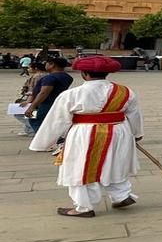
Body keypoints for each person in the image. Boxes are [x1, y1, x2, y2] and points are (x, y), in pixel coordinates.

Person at [28, 56, 143, 217]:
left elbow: (57, 121)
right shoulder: (125, 91)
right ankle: (121, 195)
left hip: (85, 133)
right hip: (119, 131)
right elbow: (135, 115)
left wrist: (42, 143)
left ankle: (83, 207)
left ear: (84, 74)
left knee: (80, 167)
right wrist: (137, 134)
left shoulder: (72, 94)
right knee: (115, 163)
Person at [24, 57, 73, 133]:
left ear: (52, 65)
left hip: (46, 104)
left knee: (36, 121)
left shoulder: (49, 78)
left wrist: (32, 107)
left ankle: (43, 140)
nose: (45, 66)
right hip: (59, 103)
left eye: (46, 63)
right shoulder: (67, 77)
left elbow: (43, 93)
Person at [14, 62, 46, 136]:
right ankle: (28, 129)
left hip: (34, 99)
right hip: (40, 99)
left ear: (36, 68)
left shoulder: (37, 76)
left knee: (19, 113)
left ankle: (32, 129)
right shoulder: (46, 75)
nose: (28, 69)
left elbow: (34, 90)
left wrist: (28, 101)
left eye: (29, 67)